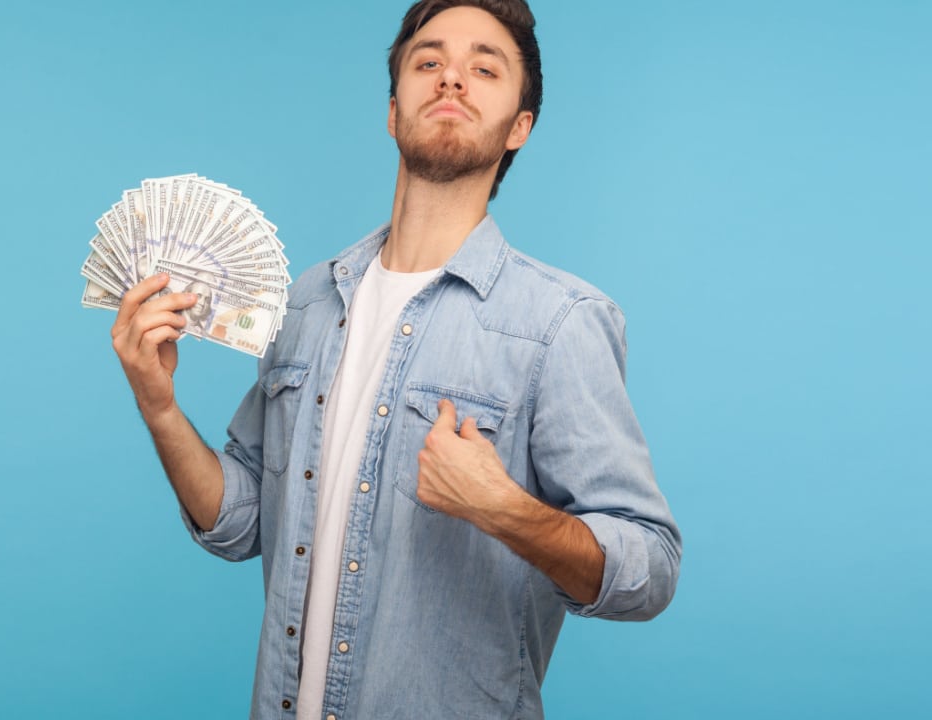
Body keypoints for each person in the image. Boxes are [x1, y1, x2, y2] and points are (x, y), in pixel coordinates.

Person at [109, 1, 681, 717]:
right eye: (429, 61)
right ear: (392, 110)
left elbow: (650, 571)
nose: (452, 80)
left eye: (484, 67)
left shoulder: (560, 324)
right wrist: (158, 405)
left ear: (519, 128)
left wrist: (505, 509)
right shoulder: (309, 302)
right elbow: (243, 523)